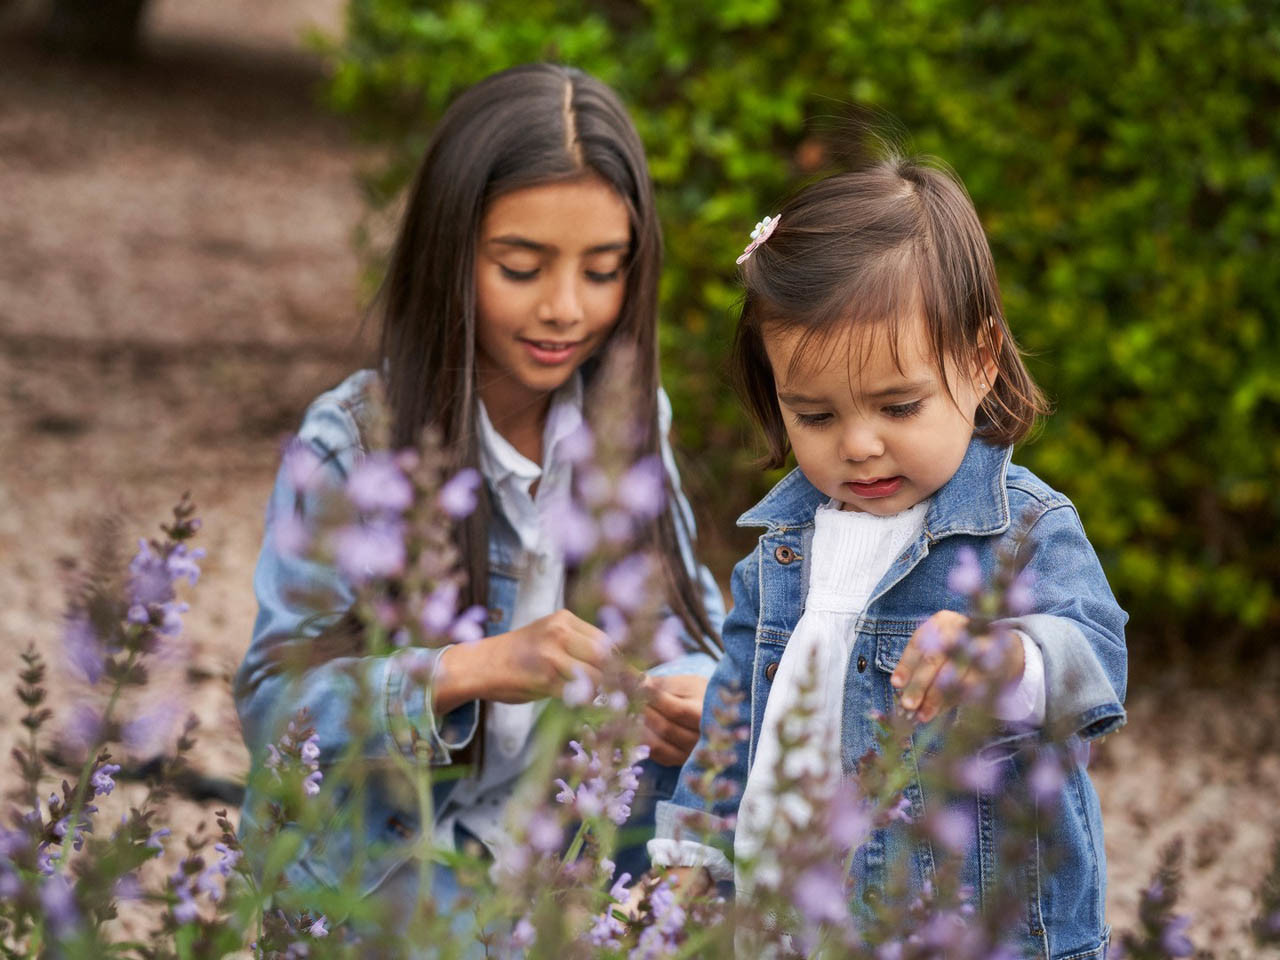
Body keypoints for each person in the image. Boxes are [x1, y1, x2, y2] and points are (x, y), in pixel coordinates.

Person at [233, 62, 724, 935]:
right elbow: (275, 708)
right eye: (522, 266)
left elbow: (690, 624)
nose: (566, 309)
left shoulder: (628, 423)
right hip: (384, 881)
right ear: (450, 251)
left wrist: (692, 697)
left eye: (603, 271)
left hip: (567, 863)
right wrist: (468, 669)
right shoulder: (355, 444)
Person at [648, 154, 1127, 959]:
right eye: (815, 415)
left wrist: (1007, 656)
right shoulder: (779, 555)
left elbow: (1100, 665)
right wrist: (688, 863)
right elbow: (732, 725)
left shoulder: (1021, 529)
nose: (860, 445)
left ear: (978, 362)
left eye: (898, 405)